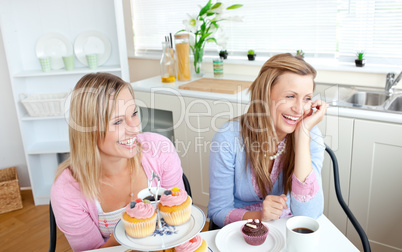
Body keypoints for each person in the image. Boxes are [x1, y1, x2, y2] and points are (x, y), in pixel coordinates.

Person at [51, 73, 184, 251]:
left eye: (134, 113)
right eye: (118, 121)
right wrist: (131, 227)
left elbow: (179, 220)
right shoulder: (67, 190)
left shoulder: (160, 150)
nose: (135, 128)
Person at [208, 53, 329, 228]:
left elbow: (309, 216)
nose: (299, 109)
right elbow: (218, 212)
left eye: (307, 98)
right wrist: (258, 215)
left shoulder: (310, 134)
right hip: (239, 232)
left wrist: (302, 136)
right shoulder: (228, 138)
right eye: (290, 96)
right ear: (265, 95)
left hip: (285, 230)